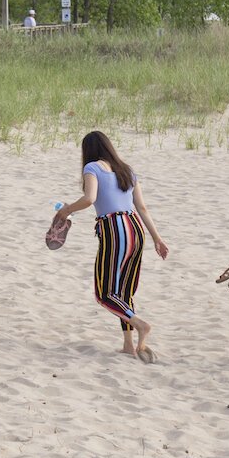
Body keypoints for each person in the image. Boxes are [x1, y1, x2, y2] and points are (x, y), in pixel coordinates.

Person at [53, 130, 169, 362]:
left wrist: (66, 210)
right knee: (124, 291)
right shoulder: (127, 170)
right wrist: (157, 238)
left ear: (88, 151)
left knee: (104, 293)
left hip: (114, 229)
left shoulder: (92, 169)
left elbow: (89, 198)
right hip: (136, 228)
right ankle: (128, 345)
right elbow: (142, 208)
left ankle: (140, 325)